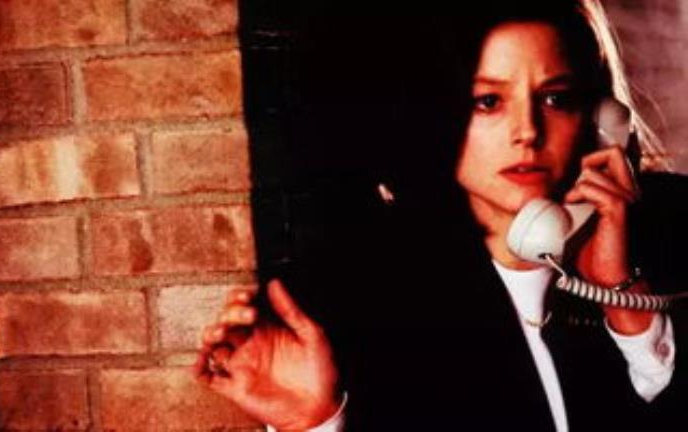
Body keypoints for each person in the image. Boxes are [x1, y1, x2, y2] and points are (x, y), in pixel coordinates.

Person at [195, 1, 688, 430]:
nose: (528, 131)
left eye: (554, 97)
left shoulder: (667, 237)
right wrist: (316, 423)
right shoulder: (363, 296)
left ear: (599, 119)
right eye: (488, 102)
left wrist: (626, 302)